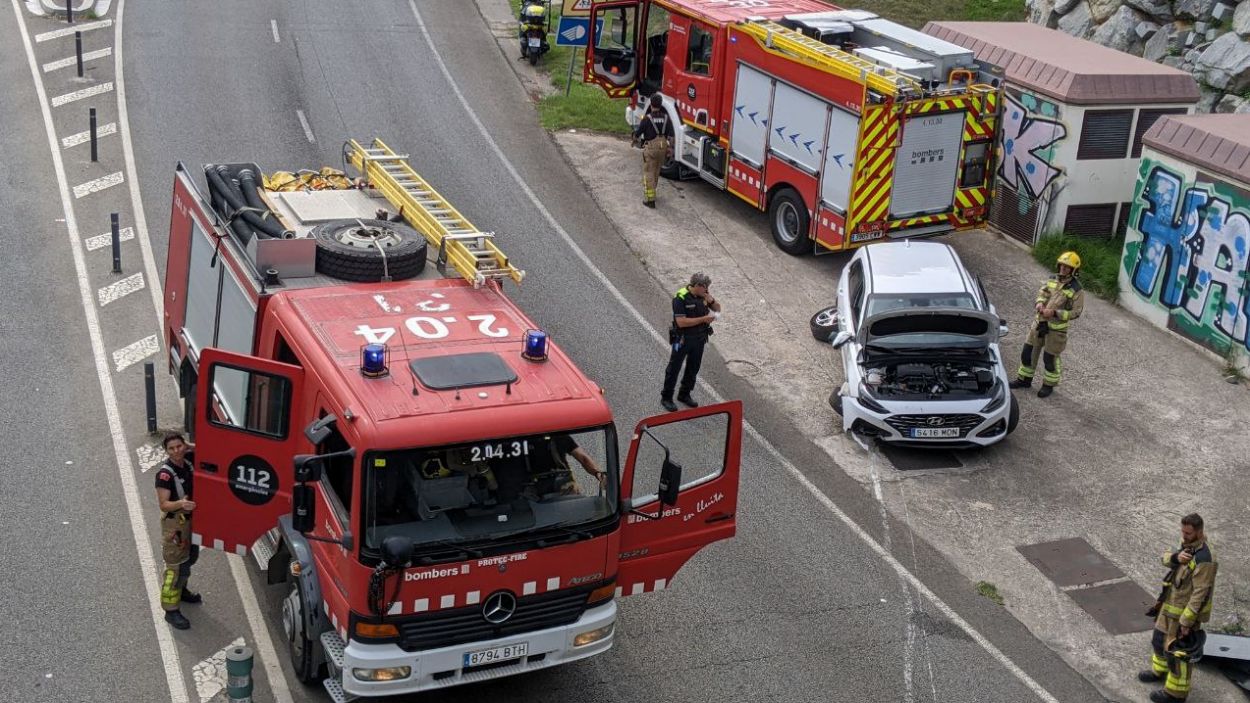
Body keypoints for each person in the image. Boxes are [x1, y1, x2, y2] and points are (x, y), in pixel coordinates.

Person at [1139, 514, 1218, 702]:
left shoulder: (1205, 559)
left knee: (1178, 654)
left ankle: (1176, 694)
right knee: (1159, 640)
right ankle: (1160, 671)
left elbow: (1201, 594)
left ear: (1199, 532)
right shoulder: (1186, 544)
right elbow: (1165, 558)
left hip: (1184, 614)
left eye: (1188, 533)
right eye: (1182, 531)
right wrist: (1176, 557)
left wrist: (1187, 622)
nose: (1184, 535)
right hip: (1170, 604)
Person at [1009, 251, 1085, 398]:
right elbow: (1042, 293)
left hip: (1056, 330)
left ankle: (1048, 385)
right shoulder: (1052, 279)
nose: (1063, 268)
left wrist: (1055, 313)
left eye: (1067, 267)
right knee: (1028, 352)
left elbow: (1076, 312)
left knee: (1050, 359)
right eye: (1061, 265)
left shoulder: (1076, 289)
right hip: (1039, 323)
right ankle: (1024, 380)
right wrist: (1039, 304)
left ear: (1073, 270)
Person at [154, 432, 200, 630]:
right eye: (171, 448)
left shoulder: (188, 460)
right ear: (166, 451)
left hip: (190, 521)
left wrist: (189, 445)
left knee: (189, 559)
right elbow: (164, 505)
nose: (176, 451)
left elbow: (207, 450)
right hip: (175, 526)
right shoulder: (164, 474)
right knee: (174, 568)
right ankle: (171, 610)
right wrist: (181, 503)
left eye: (179, 446)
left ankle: (182, 591)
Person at [661, 272, 720, 412]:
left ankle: (684, 394)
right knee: (674, 368)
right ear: (698, 285)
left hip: (699, 339)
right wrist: (704, 319)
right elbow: (681, 322)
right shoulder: (680, 297)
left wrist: (710, 300)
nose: (707, 290)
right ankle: (666, 397)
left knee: (693, 367)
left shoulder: (704, 295)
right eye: (705, 288)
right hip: (682, 339)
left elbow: (718, 309)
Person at [633, 94, 675, 208]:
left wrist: (634, 139)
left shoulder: (648, 118)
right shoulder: (666, 118)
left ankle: (650, 200)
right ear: (661, 105)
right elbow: (671, 135)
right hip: (663, 147)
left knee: (649, 173)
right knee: (656, 171)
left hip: (651, 147)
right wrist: (670, 148)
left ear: (651, 104)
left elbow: (638, 132)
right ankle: (653, 193)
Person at [530, 434, 606, 497]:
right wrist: (597, 472)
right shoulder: (559, 436)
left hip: (554, 487)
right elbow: (583, 458)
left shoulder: (560, 437)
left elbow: (583, 458)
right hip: (545, 488)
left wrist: (597, 472)